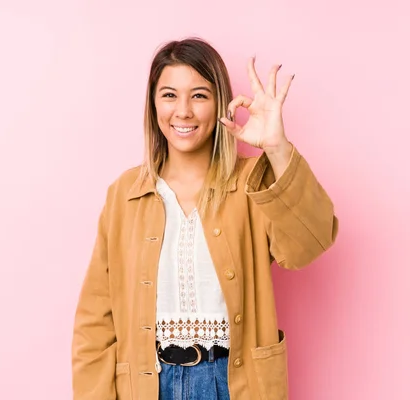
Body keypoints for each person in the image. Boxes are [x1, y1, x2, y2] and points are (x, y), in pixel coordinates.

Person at [71, 37, 339, 400]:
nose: (183, 111)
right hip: (148, 385)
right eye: (169, 95)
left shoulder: (252, 182)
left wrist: (277, 149)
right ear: (153, 104)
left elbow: (311, 242)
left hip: (231, 383)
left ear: (220, 105)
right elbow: (95, 324)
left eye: (199, 95)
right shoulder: (125, 194)